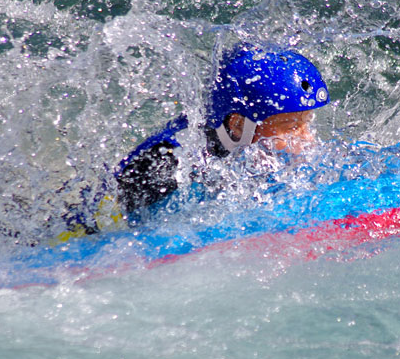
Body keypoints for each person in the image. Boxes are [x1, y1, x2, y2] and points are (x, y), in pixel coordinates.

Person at [63, 44, 330, 237]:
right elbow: (97, 229)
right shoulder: (165, 164)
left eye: (307, 124)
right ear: (238, 125)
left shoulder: (234, 143)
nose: (307, 140)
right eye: (291, 128)